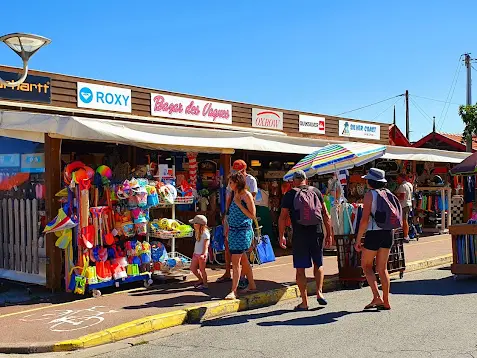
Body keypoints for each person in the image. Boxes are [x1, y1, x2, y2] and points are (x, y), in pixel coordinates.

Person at [278, 170, 332, 311]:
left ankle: (304, 302)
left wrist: (281, 235)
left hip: (300, 234)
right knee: (318, 263)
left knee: (300, 269)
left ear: (294, 181)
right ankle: (319, 292)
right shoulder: (316, 192)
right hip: (317, 232)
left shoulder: (290, 194)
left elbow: (283, 217)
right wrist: (330, 234)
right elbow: (326, 215)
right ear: (306, 180)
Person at [354, 168, 394, 310]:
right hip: (388, 233)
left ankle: (376, 297)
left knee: (366, 265)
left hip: (373, 232)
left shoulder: (370, 195)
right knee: (382, 268)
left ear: (370, 181)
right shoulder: (388, 193)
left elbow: (364, 220)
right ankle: (386, 300)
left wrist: (358, 239)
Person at [217, 160, 258, 284]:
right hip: (233, 217)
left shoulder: (250, 181)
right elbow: (229, 197)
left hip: (243, 220)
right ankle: (229, 273)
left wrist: (240, 205)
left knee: (243, 252)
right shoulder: (233, 182)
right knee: (229, 245)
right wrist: (226, 213)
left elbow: (252, 202)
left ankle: (241, 278)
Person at [225, 172, 257, 300]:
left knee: (236, 261)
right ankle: (252, 285)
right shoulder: (234, 194)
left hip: (242, 232)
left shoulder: (246, 195)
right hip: (233, 231)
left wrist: (239, 204)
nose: (229, 185)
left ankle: (233, 291)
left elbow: (252, 215)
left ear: (237, 183)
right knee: (243, 259)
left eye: (231, 182)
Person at [189, 215, 210, 290]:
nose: (193, 225)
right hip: (196, 253)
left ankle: (205, 284)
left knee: (202, 269)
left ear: (199, 225)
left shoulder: (205, 233)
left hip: (201, 254)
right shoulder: (198, 232)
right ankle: (200, 279)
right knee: (192, 268)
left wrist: (203, 254)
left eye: (195, 223)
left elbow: (206, 245)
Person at [396, 173, 414, 242]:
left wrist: (395, 195)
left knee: (404, 221)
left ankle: (406, 236)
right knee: (405, 221)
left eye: (398, 178)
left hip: (404, 205)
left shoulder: (402, 186)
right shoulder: (409, 184)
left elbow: (402, 197)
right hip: (409, 204)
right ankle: (405, 235)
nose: (397, 180)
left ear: (401, 178)